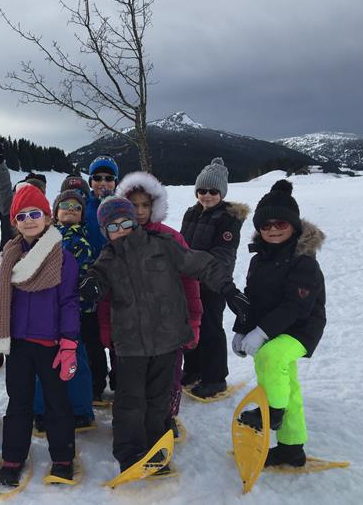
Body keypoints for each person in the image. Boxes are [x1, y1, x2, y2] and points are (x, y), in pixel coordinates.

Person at [80, 196, 249, 475]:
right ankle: (130, 453)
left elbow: (202, 264)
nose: (121, 230)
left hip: (167, 340)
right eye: (113, 227)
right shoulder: (107, 258)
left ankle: (156, 449)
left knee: (158, 401)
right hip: (130, 345)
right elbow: (95, 277)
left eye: (125, 223)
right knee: (130, 402)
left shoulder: (163, 245)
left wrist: (228, 289)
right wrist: (89, 285)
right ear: (105, 232)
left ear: (135, 221)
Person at [234, 180, 326, 468]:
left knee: (270, 358)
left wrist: (260, 333)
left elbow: (296, 306)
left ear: (294, 225)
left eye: (280, 223)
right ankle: (291, 447)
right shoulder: (260, 259)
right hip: (272, 327)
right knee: (288, 387)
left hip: (301, 328)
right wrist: (241, 329)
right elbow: (251, 297)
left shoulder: (304, 261)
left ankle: (270, 414)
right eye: (266, 224)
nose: (273, 229)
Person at [0, 184, 81, 486]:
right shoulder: (9, 256)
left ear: (47, 217)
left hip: (51, 344)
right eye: (21, 215)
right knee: (18, 403)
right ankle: (13, 457)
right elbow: (0, 299)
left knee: (57, 403)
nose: (28, 220)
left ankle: (63, 457)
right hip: (17, 344)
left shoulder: (63, 258)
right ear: (14, 222)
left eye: (35, 213)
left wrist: (69, 344)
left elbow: (69, 302)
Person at [114, 171, 202, 439]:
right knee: (133, 383)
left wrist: (193, 322)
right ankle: (137, 424)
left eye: (145, 205)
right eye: (133, 206)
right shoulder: (118, 240)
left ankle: (165, 418)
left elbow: (189, 283)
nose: (140, 212)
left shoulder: (171, 239)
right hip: (130, 333)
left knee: (168, 380)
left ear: (155, 206)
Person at [180, 158, 249, 399]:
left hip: (213, 283)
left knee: (210, 329)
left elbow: (223, 254)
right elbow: (181, 245)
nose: (206, 195)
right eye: (201, 190)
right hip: (188, 283)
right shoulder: (192, 213)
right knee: (189, 327)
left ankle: (215, 378)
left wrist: (198, 267)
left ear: (221, 192)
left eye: (212, 191)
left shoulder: (228, 218)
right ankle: (192, 370)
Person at [33, 188, 95, 432]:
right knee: (43, 362)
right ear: (55, 213)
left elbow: (87, 273)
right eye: (65, 205)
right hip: (44, 313)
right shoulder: (42, 238)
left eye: (77, 207)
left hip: (72, 312)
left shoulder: (84, 240)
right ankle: (41, 410)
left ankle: (80, 410)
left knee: (75, 360)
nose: (71, 209)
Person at [82, 156, 120, 401]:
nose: (103, 183)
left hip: (118, 281)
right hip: (90, 281)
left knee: (119, 334)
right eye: (98, 178)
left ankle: (120, 379)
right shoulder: (83, 208)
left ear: (116, 182)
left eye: (108, 178)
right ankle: (96, 381)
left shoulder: (123, 207)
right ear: (91, 181)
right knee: (92, 337)